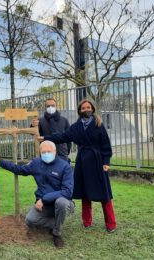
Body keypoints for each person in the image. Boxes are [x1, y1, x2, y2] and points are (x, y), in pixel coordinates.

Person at [39, 99, 116, 232]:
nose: (86, 110)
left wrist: (106, 162)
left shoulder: (99, 124)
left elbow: (106, 145)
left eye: (88, 107)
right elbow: (62, 136)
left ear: (92, 109)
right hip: (83, 162)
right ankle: (86, 222)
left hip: (97, 162)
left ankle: (111, 224)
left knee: (104, 194)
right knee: (85, 193)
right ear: (79, 111)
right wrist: (45, 138)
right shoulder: (75, 127)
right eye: (83, 108)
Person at [0, 141, 74, 248]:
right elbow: (19, 170)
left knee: (61, 202)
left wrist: (44, 199)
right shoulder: (36, 163)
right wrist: (1, 162)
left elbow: (67, 191)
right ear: (40, 152)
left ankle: (56, 233)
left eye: (49, 151)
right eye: (43, 152)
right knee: (30, 220)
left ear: (55, 151)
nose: (46, 154)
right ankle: (56, 222)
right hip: (44, 205)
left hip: (61, 202)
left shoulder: (65, 166)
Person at [31, 98, 71, 162]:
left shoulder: (64, 120)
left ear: (56, 106)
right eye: (48, 106)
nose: (50, 107)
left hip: (62, 153)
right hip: (46, 153)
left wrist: (66, 151)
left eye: (52, 105)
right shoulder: (40, 121)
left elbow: (69, 137)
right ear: (45, 107)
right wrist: (32, 125)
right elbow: (34, 133)